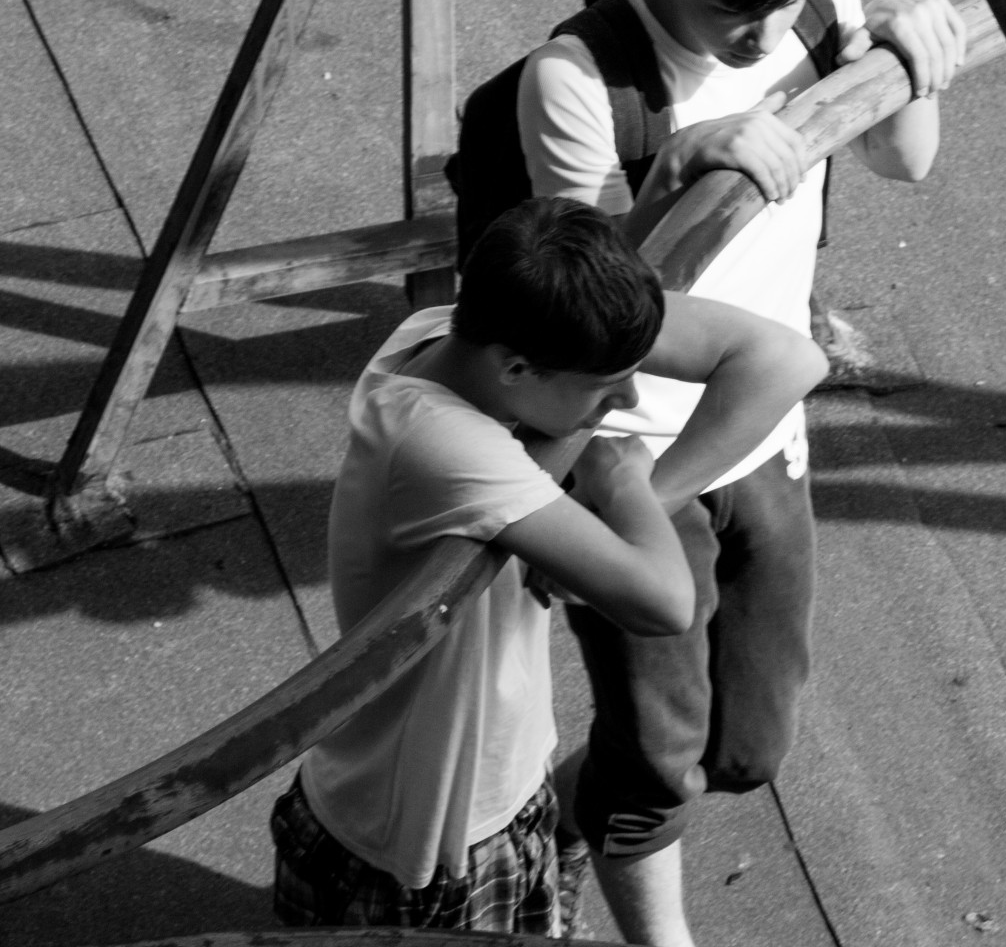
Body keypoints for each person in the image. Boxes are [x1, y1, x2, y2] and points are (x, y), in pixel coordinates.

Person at [517, 0, 967, 946]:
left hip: (760, 430)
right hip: (629, 454)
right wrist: (679, 162)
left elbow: (902, 159)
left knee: (743, 749)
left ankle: (570, 805)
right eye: (735, 17)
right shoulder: (578, 80)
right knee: (663, 761)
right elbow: (585, 312)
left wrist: (907, 60)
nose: (766, 36)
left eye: (785, 3)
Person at [270, 196, 828, 936]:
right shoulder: (445, 447)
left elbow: (792, 357)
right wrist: (623, 478)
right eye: (606, 389)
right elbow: (665, 603)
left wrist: (667, 179)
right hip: (423, 840)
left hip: (495, 787)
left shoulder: (446, 332)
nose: (630, 399)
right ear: (519, 368)